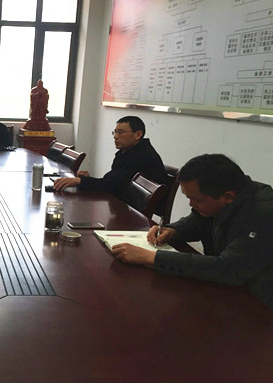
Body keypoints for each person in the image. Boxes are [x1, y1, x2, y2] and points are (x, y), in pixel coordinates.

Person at [111, 154, 273, 308]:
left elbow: (228, 269)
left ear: (228, 197)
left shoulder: (264, 214)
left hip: (258, 305)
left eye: (195, 200)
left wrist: (152, 257)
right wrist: (173, 231)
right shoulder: (227, 194)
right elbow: (197, 221)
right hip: (226, 290)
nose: (190, 204)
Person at [53, 116, 166, 198]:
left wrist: (80, 181)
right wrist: (87, 179)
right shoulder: (127, 151)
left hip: (130, 211)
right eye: (115, 132)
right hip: (121, 202)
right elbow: (111, 181)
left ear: (138, 134)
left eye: (120, 132)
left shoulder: (143, 156)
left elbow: (112, 186)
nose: (115, 137)